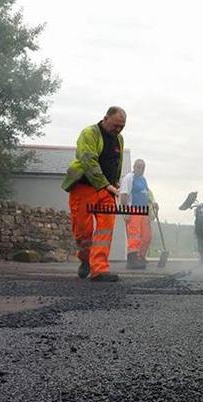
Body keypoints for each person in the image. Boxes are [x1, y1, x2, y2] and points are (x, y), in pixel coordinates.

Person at [61, 106, 126, 282]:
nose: (118, 130)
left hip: (106, 191)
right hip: (83, 188)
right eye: (115, 125)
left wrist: (114, 181)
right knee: (83, 232)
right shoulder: (89, 133)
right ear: (105, 119)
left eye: (122, 126)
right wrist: (105, 183)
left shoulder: (119, 139)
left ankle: (100, 270)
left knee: (105, 228)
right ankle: (85, 260)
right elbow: (88, 161)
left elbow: (116, 162)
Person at [119, 158, 158, 270]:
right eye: (139, 167)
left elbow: (147, 193)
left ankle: (140, 257)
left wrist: (153, 203)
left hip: (144, 211)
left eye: (143, 167)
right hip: (134, 210)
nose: (141, 169)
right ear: (134, 167)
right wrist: (126, 212)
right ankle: (132, 260)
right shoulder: (129, 178)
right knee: (134, 236)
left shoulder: (143, 179)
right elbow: (124, 195)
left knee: (147, 236)